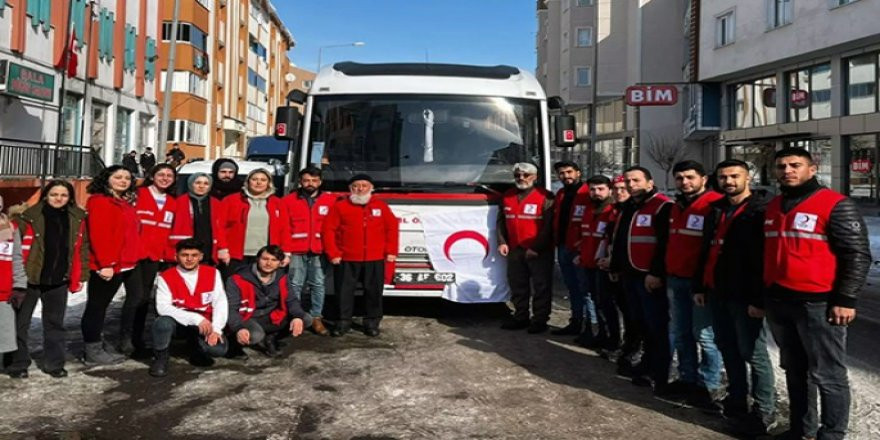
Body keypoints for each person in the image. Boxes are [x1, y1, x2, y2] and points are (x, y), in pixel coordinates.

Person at [762, 148, 870, 440]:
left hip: (819, 305)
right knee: (795, 372)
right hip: (781, 302)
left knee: (828, 375)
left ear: (812, 168)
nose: (787, 171)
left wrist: (846, 299)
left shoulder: (835, 204)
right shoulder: (774, 206)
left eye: (795, 165)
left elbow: (857, 255)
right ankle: (801, 429)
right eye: (781, 166)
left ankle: (832, 434)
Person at [695, 159, 778, 436]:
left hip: (745, 295)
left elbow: (763, 259)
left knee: (753, 352)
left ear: (748, 178)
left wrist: (759, 299)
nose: (728, 181)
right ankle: (737, 399)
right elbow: (706, 249)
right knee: (727, 347)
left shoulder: (759, 211)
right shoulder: (717, 210)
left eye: (734, 176)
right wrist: (700, 285)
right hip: (717, 291)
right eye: (723, 177)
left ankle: (765, 408)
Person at [4, 181, 88, 379]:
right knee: (20, 323)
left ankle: (54, 363)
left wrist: (81, 275)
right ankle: (18, 363)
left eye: (63, 195)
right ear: (45, 196)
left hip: (59, 279)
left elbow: (82, 248)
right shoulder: (28, 217)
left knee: (55, 324)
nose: (58, 198)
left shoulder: (77, 218)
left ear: (70, 198)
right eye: (54, 194)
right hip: (29, 279)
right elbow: (11, 246)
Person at [663, 160, 724, 407]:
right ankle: (687, 378)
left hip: (700, 283)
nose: (684, 182)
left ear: (703, 179)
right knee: (681, 333)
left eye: (690, 177)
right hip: (675, 278)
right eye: (680, 178)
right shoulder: (676, 206)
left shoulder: (714, 206)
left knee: (706, 336)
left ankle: (708, 384)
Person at [608, 166, 673, 396]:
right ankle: (645, 361)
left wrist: (656, 273)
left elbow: (665, 243)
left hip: (649, 276)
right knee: (639, 321)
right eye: (628, 181)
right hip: (629, 274)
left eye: (636, 180)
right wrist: (616, 266)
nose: (631, 184)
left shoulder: (663, 206)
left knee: (656, 325)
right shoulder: (629, 207)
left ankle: (658, 371)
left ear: (649, 182)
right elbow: (620, 239)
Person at [322, 174, 398, 337]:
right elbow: (328, 230)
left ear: (371, 188)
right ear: (351, 189)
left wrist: (391, 251)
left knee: (374, 291)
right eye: (356, 186)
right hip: (346, 258)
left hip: (374, 257)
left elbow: (391, 228)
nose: (360, 189)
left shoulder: (381, 206)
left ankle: (372, 322)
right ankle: (343, 322)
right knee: (344, 291)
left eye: (364, 186)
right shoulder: (340, 207)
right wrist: (333, 253)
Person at [81, 165, 142, 366]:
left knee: (107, 305)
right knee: (97, 307)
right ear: (107, 179)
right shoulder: (100, 202)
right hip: (108, 264)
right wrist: (106, 263)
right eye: (118, 177)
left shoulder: (123, 202)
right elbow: (100, 235)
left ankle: (99, 342)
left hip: (126, 262)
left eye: (127, 178)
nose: (123, 181)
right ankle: (92, 350)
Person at [150, 239, 227, 377]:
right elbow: (163, 307)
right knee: (162, 323)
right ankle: (161, 357)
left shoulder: (213, 273)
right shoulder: (165, 277)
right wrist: (195, 319)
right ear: (176, 257)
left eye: (194, 255)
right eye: (185, 255)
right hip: (179, 324)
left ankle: (195, 347)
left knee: (218, 350)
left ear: (201, 257)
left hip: (205, 325)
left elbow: (220, 302)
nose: (190, 259)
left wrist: (216, 329)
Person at [122, 164, 178, 357]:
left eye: (169, 175)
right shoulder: (137, 194)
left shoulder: (173, 201)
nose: (165, 178)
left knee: (145, 298)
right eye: (161, 174)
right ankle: (126, 339)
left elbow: (170, 231)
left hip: (154, 256)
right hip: (133, 254)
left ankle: (138, 338)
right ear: (152, 176)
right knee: (135, 297)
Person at [497, 163, 555, 334]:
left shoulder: (546, 196)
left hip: (539, 251)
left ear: (535, 177)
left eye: (526, 175)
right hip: (515, 249)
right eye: (518, 175)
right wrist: (502, 242)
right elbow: (501, 222)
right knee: (518, 285)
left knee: (541, 286)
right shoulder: (507, 196)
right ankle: (521, 316)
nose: (521, 178)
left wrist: (536, 247)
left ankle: (540, 320)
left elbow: (549, 226)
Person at [225, 245, 309, 357]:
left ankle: (271, 338)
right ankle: (233, 343)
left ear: (280, 263)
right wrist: (238, 328)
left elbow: (291, 300)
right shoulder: (237, 279)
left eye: (274, 260)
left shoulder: (282, 277)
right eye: (265, 259)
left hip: (271, 315)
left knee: (305, 319)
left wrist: (297, 316)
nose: (269, 263)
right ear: (257, 259)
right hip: (248, 317)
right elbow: (231, 308)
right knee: (255, 335)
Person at [282, 167, 337, 336]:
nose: (310, 184)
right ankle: (296, 317)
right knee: (295, 284)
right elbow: (284, 227)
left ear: (320, 182)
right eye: (306, 180)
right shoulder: (288, 200)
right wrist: (286, 251)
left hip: (320, 249)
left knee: (318, 284)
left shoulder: (331, 200)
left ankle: (316, 317)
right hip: (296, 250)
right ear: (300, 182)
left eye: (314, 180)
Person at [549, 161, 595, 340]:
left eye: (569, 172)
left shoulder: (587, 193)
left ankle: (591, 328)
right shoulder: (561, 194)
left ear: (578, 172)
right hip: (563, 246)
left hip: (580, 248)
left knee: (586, 290)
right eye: (562, 173)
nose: (566, 176)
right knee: (572, 288)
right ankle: (576, 321)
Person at [598, 176, 640, 369]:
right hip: (613, 267)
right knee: (617, 307)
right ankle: (621, 343)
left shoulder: (634, 211)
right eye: (615, 189)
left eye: (623, 188)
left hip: (629, 269)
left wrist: (615, 263)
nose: (619, 192)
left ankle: (634, 349)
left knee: (633, 313)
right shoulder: (615, 211)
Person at [219, 168, 288, 275]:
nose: (258, 182)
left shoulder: (277, 203)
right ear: (248, 182)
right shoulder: (231, 200)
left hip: (266, 256)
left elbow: (285, 229)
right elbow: (220, 227)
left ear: (269, 183)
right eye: (254, 179)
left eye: (263, 180)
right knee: (235, 286)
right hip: (236, 255)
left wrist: (286, 252)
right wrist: (222, 248)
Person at [575, 175, 618, 351]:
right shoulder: (588, 210)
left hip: (603, 266)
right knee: (591, 299)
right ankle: (596, 334)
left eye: (600, 189)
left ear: (609, 190)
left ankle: (611, 338)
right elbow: (586, 237)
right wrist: (580, 254)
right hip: (587, 263)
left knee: (605, 304)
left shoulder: (613, 211)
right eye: (592, 189)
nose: (596, 193)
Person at [167, 173, 229, 265]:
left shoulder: (216, 203)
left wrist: (222, 248)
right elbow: (169, 228)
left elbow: (220, 227)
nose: (201, 186)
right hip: (185, 251)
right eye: (198, 183)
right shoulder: (178, 202)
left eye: (206, 184)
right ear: (191, 184)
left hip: (208, 251)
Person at [0, 195, 26, 361]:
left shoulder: (11, 228)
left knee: (3, 334)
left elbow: (17, 257)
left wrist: (19, 285)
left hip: (3, 292)